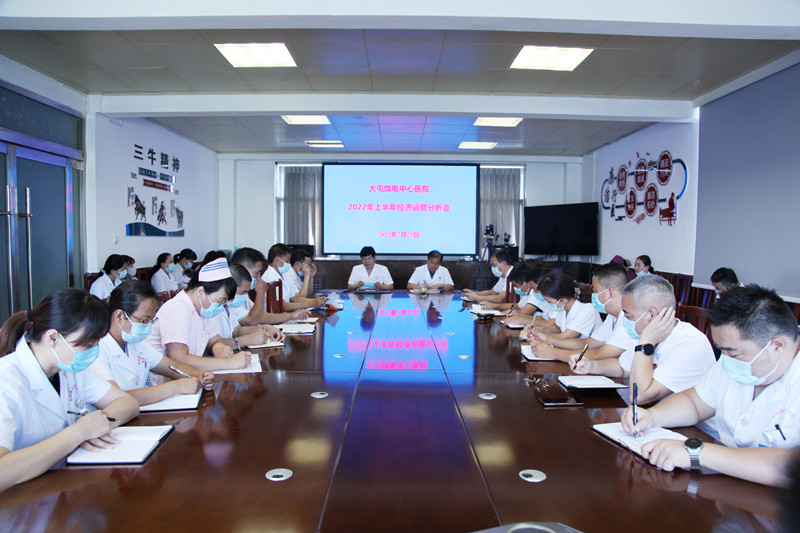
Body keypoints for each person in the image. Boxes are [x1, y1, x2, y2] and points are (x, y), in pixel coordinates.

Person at [621, 285, 800, 487]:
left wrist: (697, 452)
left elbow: (792, 467)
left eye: (733, 353)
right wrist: (652, 416)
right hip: (727, 485)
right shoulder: (736, 360)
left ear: (778, 345)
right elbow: (695, 403)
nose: (726, 359)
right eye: (722, 350)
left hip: (777, 501)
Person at [0, 288, 139, 492]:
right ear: (53, 338)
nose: (93, 352)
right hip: (21, 499)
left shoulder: (68, 368)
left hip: (63, 485)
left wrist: (98, 426)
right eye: (87, 345)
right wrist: (78, 433)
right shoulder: (6, 380)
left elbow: (128, 403)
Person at [572, 274, 716, 405]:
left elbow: (640, 396)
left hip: (689, 424)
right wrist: (591, 366)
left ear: (651, 315)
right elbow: (622, 368)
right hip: (655, 415)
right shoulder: (645, 333)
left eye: (628, 315)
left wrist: (646, 342)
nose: (625, 319)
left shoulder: (689, 343)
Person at [94, 280, 216, 407]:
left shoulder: (135, 343)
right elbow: (115, 398)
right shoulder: (97, 348)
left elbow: (172, 368)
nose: (148, 326)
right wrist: (176, 387)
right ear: (119, 316)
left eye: (151, 321)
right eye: (144, 320)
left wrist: (199, 375)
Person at [145, 258, 252, 372]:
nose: (221, 306)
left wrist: (218, 347)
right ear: (200, 292)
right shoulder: (179, 308)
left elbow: (215, 340)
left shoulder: (200, 309)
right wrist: (227, 363)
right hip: (164, 378)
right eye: (220, 301)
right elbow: (178, 358)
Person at [526, 262, 636, 363]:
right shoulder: (612, 317)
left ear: (609, 292)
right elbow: (588, 343)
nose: (593, 294)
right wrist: (548, 339)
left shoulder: (630, 320)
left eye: (595, 290)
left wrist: (553, 353)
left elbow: (600, 354)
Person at [229, 247, 310, 326]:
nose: (259, 277)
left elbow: (261, 316)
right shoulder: (233, 296)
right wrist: (261, 292)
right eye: (256, 273)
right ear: (244, 270)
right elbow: (251, 320)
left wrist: (291, 316)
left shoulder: (243, 294)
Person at [217, 264, 284, 346]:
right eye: (242, 292)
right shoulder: (212, 309)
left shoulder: (226, 306)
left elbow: (237, 330)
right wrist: (248, 340)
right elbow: (215, 343)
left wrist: (266, 328)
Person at [533, 270, 602, 339]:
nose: (548, 304)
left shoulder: (586, 309)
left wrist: (538, 335)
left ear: (564, 299)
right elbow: (558, 328)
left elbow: (564, 337)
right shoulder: (563, 307)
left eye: (549, 301)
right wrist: (538, 330)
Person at [262, 244, 326, 310]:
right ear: (277, 260)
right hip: (277, 315)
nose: (289, 264)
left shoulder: (279, 275)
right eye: (287, 261)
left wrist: (316, 301)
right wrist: (311, 303)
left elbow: (296, 298)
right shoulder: (270, 277)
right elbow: (282, 305)